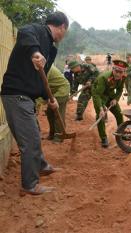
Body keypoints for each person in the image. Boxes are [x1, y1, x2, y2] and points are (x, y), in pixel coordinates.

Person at [0, 11, 69, 195]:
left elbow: (40, 80)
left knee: (35, 134)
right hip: (16, 95)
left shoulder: (51, 49)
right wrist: (35, 52)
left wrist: (49, 99)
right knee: (30, 141)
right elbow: (24, 32)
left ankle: (42, 165)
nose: (64, 34)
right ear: (62, 27)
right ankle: (30, 185)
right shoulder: (37, 32)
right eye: (65, 31)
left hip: (26, 97)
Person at [91, 60, 127, 148]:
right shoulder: (104, 77)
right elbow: (97, 95)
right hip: (99, 95)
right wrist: (100, 108)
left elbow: (120, 90)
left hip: (110, 94)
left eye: (120, 72)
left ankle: (121, 133)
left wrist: (115, 99)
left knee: (119, 113)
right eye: (116, 71)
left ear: (123, 72)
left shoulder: (123, 77)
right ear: (113, 69)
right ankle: (103, 138)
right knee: (101, 116)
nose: (118, 74)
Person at [45, 65, 70, 143]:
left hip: (62, 91)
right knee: (49, 112)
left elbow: (43, 84)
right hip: (54, 92)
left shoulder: (46, 67)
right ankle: (52, 133)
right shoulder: (42, 66)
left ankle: (59, 136)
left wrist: (38, 104)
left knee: (57, 113)